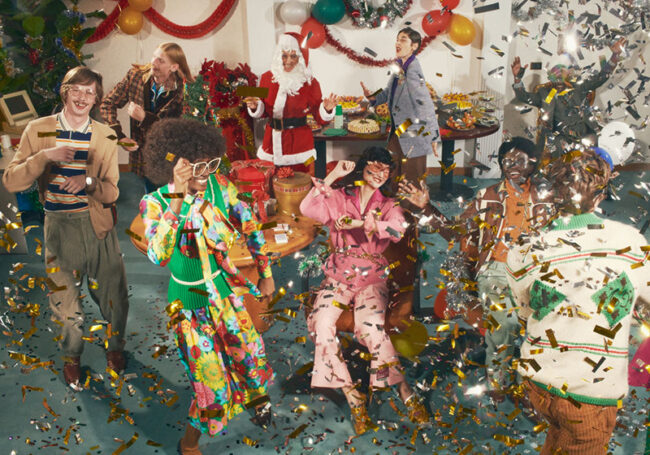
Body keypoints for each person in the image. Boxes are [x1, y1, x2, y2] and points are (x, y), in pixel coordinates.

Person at [139, 118, 275, 455]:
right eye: (196, 166)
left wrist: (265, 271)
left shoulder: (220, 187)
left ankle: (256, 400)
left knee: (249, 355)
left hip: (224, 294)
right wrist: (177, 198)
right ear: (174, 163)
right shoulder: (155, 202)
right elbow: (158, 255)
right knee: (211, 385)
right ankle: (189, 444)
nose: (205, 173)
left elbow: (250, 225)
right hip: (188, 305)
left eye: (211, 164)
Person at [506, 148, 650, 454]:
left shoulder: (524, 248)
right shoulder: (631, 242)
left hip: (538, 382)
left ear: (554, 192)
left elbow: (526, 309)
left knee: (560, 438)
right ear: (601, 195)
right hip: (589, 394)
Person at [2, 66, 129, 389]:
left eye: (89, 92)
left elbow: (112, 192)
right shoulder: (38, 129)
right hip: (58, 228)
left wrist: (88, 182)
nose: (82, 97)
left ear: (96, 98)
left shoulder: (106, 135)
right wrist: (44, 156)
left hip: (97, 226)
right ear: (65, 91)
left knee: (113, 297)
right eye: (76, 90)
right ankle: (72, 358)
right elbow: (12, 181)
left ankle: (115, 348)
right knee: (65, 303)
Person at [400, 137, 554, 399]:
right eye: (506, 161)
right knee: (504, 322)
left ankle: (531, 383)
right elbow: (455, 232)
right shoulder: (487, 197)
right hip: (496, 269)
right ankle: (498, 382)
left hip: (536, 270)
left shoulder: (547, 200)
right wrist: (426, 208)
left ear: (533, 164)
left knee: (547, 321)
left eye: (520, 161)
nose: (512, 167)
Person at [299, 147, 431, 435]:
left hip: (372, 277)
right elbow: (307, 208)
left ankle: (405, 391)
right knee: (321, 323)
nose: (380, 173)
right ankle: (353, 397)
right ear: (363, 168)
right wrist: (334, 175)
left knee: (371, 328)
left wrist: (362, 223)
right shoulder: (339, 197)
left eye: (386, 169)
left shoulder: (389, 204)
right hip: (338, 275)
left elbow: (397, 231)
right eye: (374, 167)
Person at [100, 42, 193, 192]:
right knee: (150, 199)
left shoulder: (185, 91)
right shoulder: (135, 77)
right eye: (154, 57)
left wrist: (145, 118)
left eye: (160, 61)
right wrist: (119, 136)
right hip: (142, 160)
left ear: (174, 67)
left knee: (171, 198)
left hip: (170, 161)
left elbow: (178, 131)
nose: (153, 63)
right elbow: (107, 103)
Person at [511, 38, 625, 160]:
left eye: (561, 73)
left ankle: (595, 169)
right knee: (559, 148)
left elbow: (601, 77)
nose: (559, 77)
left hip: (585, 133)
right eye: (555, 75)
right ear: (550, 78)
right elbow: (524, 97)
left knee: (595, 147)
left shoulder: (579, 87)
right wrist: (517, 79)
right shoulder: (545, 94)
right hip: (561, 137)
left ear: (567, 76)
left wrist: (615, 55)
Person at [245, 32, 337, 173]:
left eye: (293, 56)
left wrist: (326, 109)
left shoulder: (310, 83)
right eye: (284, 55)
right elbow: (263, 108)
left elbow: (319, 117)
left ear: (301, 58)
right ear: (278, 56)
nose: (288, 61)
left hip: (299, 146)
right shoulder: (266, 78)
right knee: (272, 181)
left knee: (301, 181)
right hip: (271, 143)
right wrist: (255, 106)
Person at [360, 27, 440, 183]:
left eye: (403, 40)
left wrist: (434, 136)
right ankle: (394, 199)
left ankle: (411, 200)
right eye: (397, 40)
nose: (397, 43)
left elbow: (425, 104)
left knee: (412, 181)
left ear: (414, 46)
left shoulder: (413, 70)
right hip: (398, 131)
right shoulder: (399, 67)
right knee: (392, 174)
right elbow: (388, 92)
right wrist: (372, 97)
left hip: (414, 135)